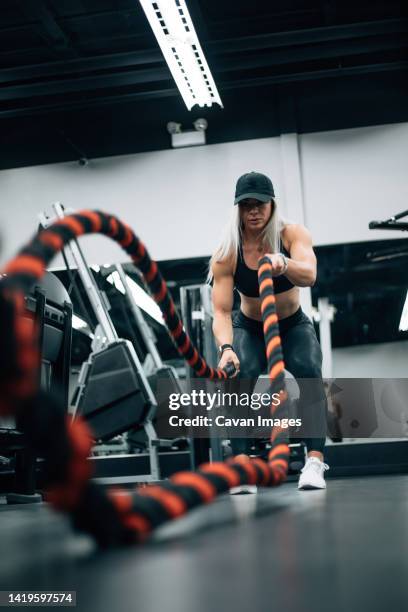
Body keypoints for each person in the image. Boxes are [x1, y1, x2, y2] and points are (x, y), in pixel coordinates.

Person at [208, 171, 329, 490]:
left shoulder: (292, 235)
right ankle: (242, 466)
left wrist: (283, 264)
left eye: (260, 203)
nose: (253, 211)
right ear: (238, 208)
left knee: (308, 370)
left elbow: (311, 275)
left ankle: (314, 462)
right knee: (238, 376)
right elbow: (221, 311)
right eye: (246, 204)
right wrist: (226, 349)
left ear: (272, 205)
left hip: (292, 325)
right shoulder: (227, 251)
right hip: (250, 327)